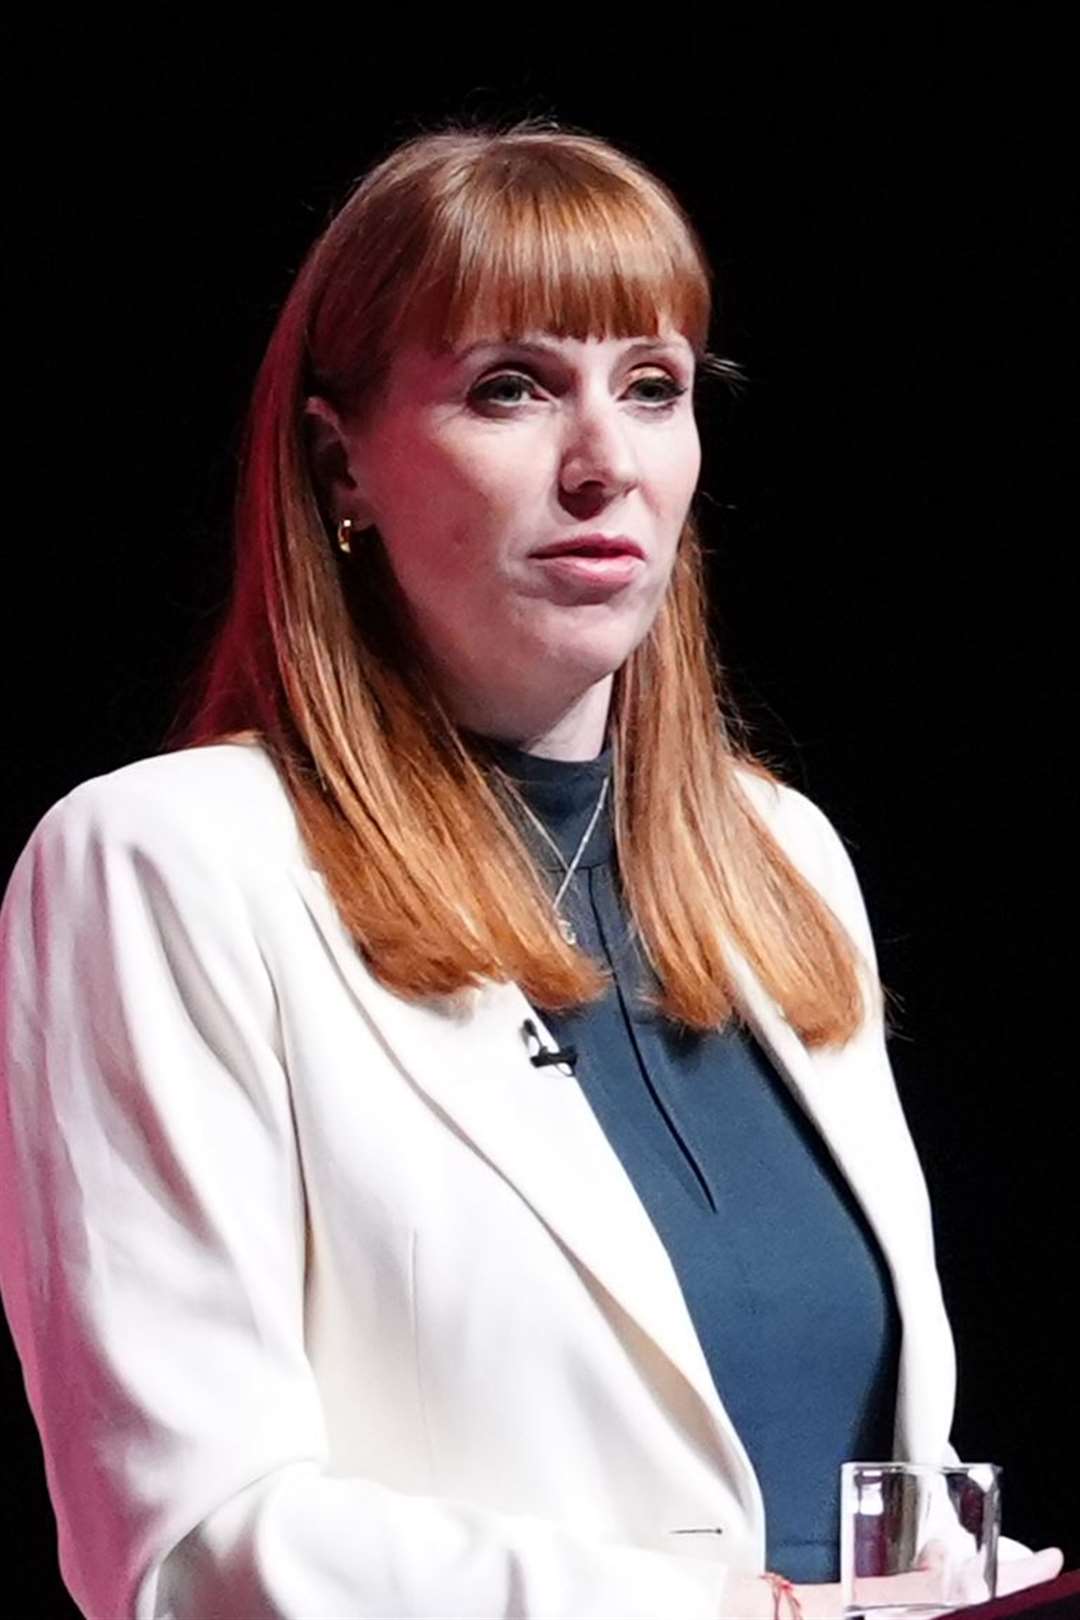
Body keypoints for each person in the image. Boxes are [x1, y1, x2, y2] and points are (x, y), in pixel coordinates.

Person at [0, 116, 1064, 1620]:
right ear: (338, 464)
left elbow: (880, 1495)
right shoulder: (166, 863)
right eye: (512, 388)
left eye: (653, 389)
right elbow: (186, 1548)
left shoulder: (785, 861)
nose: (604, 462)